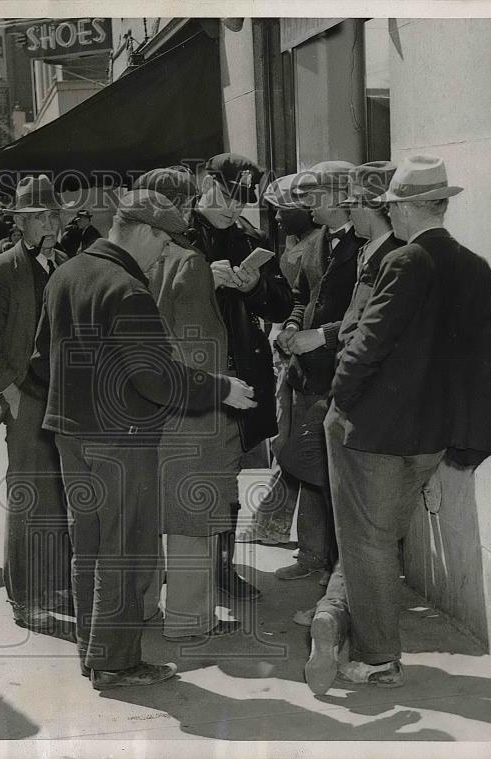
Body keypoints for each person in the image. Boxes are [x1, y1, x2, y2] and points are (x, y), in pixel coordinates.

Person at [30, 188, 257, 690]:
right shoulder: (128, 290)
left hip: (71, 434)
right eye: (163, 242)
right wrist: (222, 389)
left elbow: (41, 360)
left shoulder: (65, 274)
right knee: (124, 552)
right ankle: (116, 664)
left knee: (87, 547)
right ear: (143, 231)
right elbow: (155, 378)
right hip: (122, 439)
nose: (164, 254)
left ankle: (95, 654)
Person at [304, 155, 491, 694]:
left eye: (394, 207)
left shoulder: (406, 262)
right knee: (380, 538)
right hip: (431, 436)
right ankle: (335, 612)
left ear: (411, 209)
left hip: (372, 431)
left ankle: (377, 657)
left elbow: (366, 342)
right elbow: (474, 363)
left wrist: (339, 399)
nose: (394, 217)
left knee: (364, 540)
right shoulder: (476, 266)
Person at [134, 167, 242, 640]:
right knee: (190, 513)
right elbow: (202, 348)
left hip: (143, 404)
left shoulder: (128, 257)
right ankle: (189, 618)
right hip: (188, 407)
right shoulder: (187, 262)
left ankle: (142, 609)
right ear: (178, 207)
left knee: (146, 512)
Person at [0, 175, 71, 633]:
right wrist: (8, 390)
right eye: (40, 217)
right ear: (22, 223)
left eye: (55, 216)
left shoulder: (65, 263)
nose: (50, 224)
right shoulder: (0, 270)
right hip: (25, 398)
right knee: (29, 495)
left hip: (62, 400)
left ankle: (56, 583)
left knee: (61, 494)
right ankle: (26, 596)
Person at [186, 152, 294, 601]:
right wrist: (200, 280)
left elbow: (283, 304)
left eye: (242, 200)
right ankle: (188, 570)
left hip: (238, 372)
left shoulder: (249, 236)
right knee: (188, 476)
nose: (234, 208)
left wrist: (256, 287)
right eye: (229, 196)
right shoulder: (177, 233)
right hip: (191, 372)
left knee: (227, 476)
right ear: (206, 182)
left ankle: (222, 568)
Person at [269, 161, 363, 589]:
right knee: (306, 464)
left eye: (311, 196)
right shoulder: (315, 242)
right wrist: (291, 328)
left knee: (330, 470)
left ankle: (341, 564)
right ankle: (310, 554)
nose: (304, 205)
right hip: (307, 375)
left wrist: (320, 337)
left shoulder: (367, 243)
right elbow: (300, 297)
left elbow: (363, 316)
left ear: (338, 196)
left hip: (342, 376)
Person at [237, 173, 323, 547]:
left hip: (304, 354)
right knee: (286, 440)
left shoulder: (315, 247)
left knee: (291, 443)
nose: (274, 219)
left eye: (282, 210)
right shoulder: (296, 243)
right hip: (287, 350)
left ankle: (270, 523)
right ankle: (270, 523)